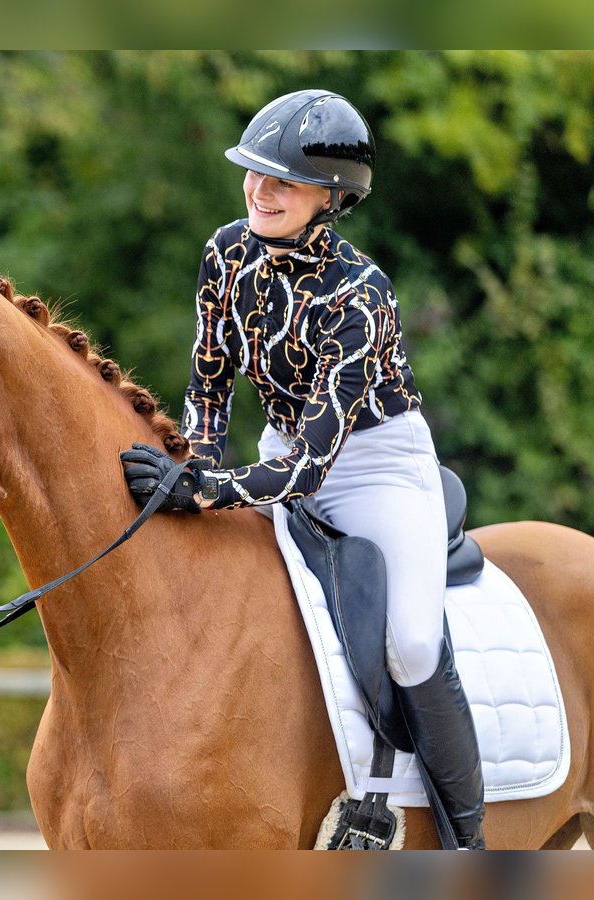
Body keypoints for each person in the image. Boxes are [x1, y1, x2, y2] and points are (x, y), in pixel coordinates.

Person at [120, 90, 486, 849]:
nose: (259, 190)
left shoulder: (362, 294)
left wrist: (208, 490)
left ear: (333, 196)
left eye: (281, 180)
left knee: (413, 642)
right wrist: (194, 465)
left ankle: (469, 847)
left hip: (375, 466)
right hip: (273, 452)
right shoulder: (226, 252)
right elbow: (209, 387)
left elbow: (315, 464)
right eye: (254, 174)